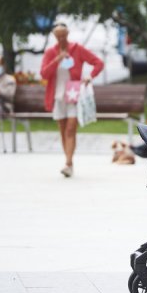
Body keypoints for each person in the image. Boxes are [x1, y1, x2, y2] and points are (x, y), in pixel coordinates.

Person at [40, 23, 104, 177]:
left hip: (74, 93)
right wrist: (56, 60)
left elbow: (98, 63)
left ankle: (68, 163)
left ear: (67, 34)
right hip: (58, 95)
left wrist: (90, 76)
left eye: (64, 34)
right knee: (62, 130)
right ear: (55, 36)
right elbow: (44, 74)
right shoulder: (50, 52)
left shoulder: (77, 49)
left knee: (70, 129)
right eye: (58, 35)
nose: (61, 38)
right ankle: (69, 160)